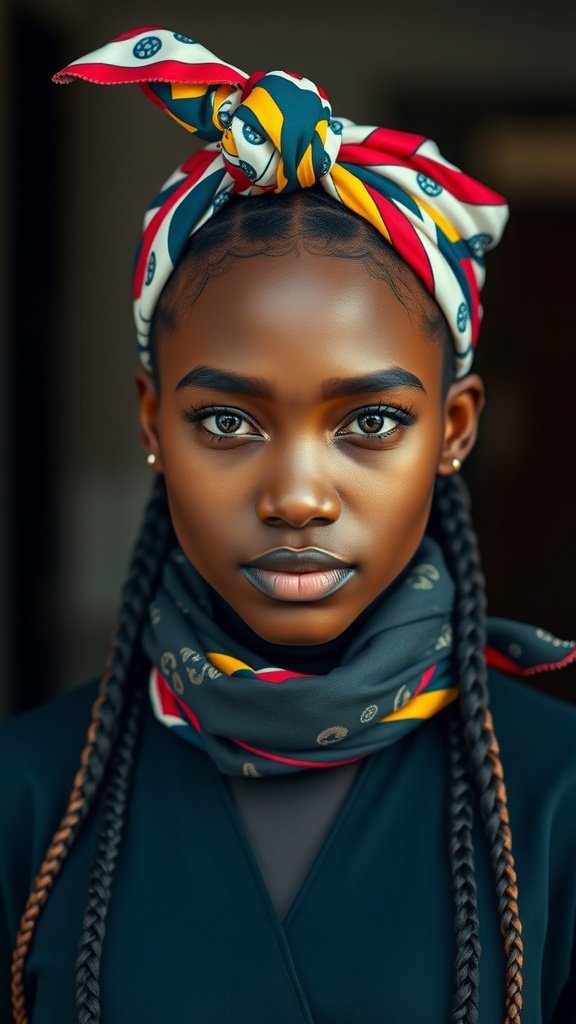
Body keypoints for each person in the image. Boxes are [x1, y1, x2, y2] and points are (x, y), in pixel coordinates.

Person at [1, 26, 575, 1024]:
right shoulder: (28, 796)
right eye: (227, 421)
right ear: (151, 421)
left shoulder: (558, 794)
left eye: (369, 422)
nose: (298, 495)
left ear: (454, 428)